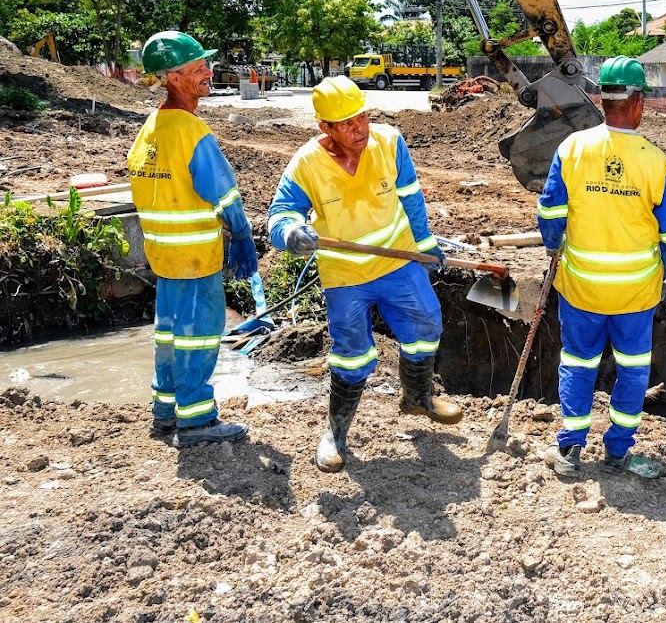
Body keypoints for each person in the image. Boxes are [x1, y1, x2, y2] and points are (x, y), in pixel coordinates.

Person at [266, 76, 460, 472]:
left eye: (364, 117)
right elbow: (280, 214)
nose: (361, 129)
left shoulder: (389, 141)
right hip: (345, 275)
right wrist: (290, 232)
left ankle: (418, 398)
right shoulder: (306, 163)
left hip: (397, 261)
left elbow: (411, 197)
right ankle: (336, 433)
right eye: (349, 124)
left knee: (426, 329)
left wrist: (423, 245)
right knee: (351, 355)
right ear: (326, 128)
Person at [536, 56, 666, 477]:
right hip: (635, 296)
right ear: (638, 102)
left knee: (579, 365)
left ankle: (568, 452)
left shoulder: (572, 148)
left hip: (582, 290)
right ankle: (618, 452)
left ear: (602, 100)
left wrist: (554, 246)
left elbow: (550, 214)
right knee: (633, 371)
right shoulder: (655, 161)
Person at [127, 31, 258, 448]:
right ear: (174, 78)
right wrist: (241, 235)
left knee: (169, 334)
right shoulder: (190, 130)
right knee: (199, 335)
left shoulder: (150, 129)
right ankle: (198, 420)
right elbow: (224, 193)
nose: (208, 72)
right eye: (198, 67)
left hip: (163, 257)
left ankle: (165, 412)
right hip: (196, 256)